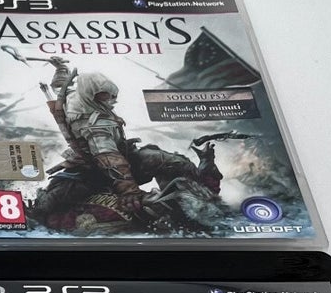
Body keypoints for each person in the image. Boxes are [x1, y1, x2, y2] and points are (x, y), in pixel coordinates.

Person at [28, 60, 221, 233]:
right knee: (53, 200)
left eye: (112, 95)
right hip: (91, 171)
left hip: (124, 157)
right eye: (105, 97)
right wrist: (129, 191)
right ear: (91, 96)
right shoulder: (95, 126)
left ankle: (199, 194)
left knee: (169, 161)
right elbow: (109, 158)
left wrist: (61, 68)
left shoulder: (74, 98)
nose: (112, 100)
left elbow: (61, 86)